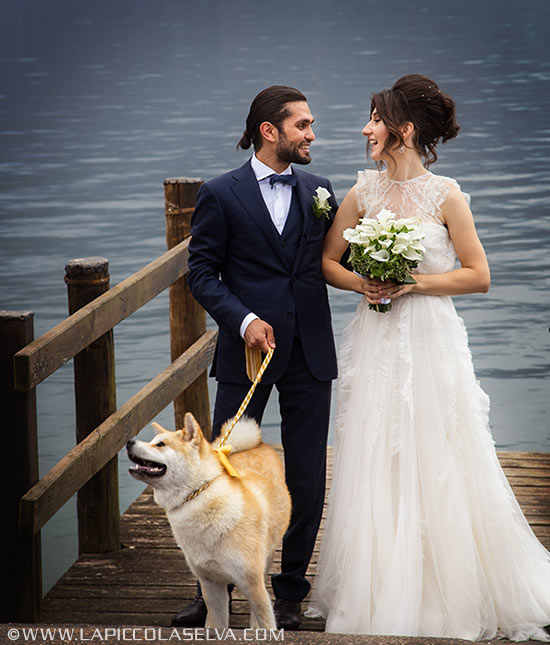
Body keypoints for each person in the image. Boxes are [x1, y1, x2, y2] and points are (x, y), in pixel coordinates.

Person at [306, 74, 550, 640]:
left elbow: (478, 276)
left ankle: (446, 589)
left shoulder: (447, 196)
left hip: (431, 341)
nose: (366, 128)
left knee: (439, 449)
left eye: (375, 118)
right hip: (375, 338)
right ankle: (379, 585)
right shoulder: (361, 191)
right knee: (374, 446)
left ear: (404, 130)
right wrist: (363, 282)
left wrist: (413, 281)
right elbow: (328, 262)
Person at [172, 85, 338, 630]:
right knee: (220, 471)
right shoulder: (222, 194)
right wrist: (243, 319)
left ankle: (289, 593)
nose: (312, 134)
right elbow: (201, 273)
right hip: (247, 356)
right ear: (270, 131)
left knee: (308, 475)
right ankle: (209, 592)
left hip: (311, 352)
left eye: (311, 125)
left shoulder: (320, 189)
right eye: (303, 125)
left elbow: (332, 259)